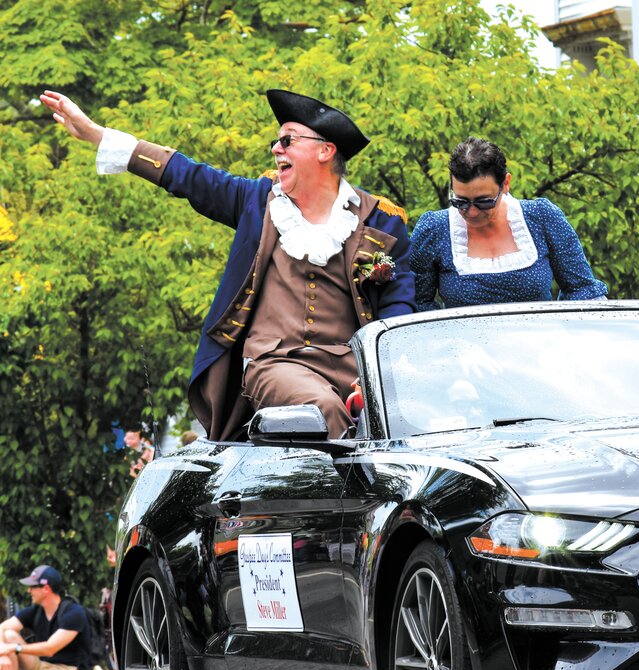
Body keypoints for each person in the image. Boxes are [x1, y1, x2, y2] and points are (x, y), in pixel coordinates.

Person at [40, 89, 416, 441]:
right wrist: (97, 135)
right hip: (273, 363)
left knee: (400, 419)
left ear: (324, 151)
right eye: (276, 140)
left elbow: (397, 308)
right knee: (324, 411)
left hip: (350, 367)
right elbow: (188, 176)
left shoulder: (380, 220)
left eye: (287, 140)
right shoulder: (256, 201)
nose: (275, 148)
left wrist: (377, 370)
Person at [410, 137, 607, 309]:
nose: (471, 211)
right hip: (463, 350)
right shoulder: (433, 229)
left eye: (483, 202)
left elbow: (582, 289)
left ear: (505, 184)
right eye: (460, 202)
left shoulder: (542, 217)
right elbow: (418, 303)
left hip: (539, 347)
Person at [0, 565, 91, 670]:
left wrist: (14, 648)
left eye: (32, 587)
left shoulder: (73, 613)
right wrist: (3, 654)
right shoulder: (36, 611)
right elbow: (2, 627)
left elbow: (50, 648)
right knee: (9, 635)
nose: (28, 591)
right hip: (40, 666)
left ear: (46, 589)